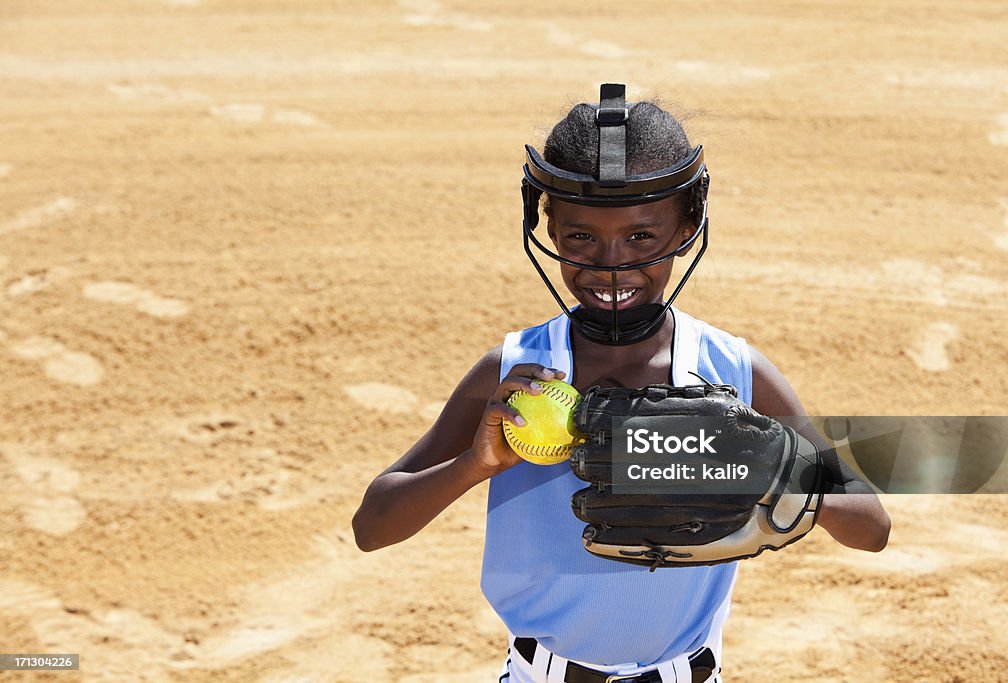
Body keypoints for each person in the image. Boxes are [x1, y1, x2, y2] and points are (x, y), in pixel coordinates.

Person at [352, 84, 891, 683]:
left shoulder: (733, 371)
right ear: (549, 228)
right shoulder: (512, 373)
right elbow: (372, 527)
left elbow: (871, 529)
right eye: (581, 236)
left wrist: (767, 462)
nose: (611, 264)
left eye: (641, 237)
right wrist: (475, 465)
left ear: (688, 225)